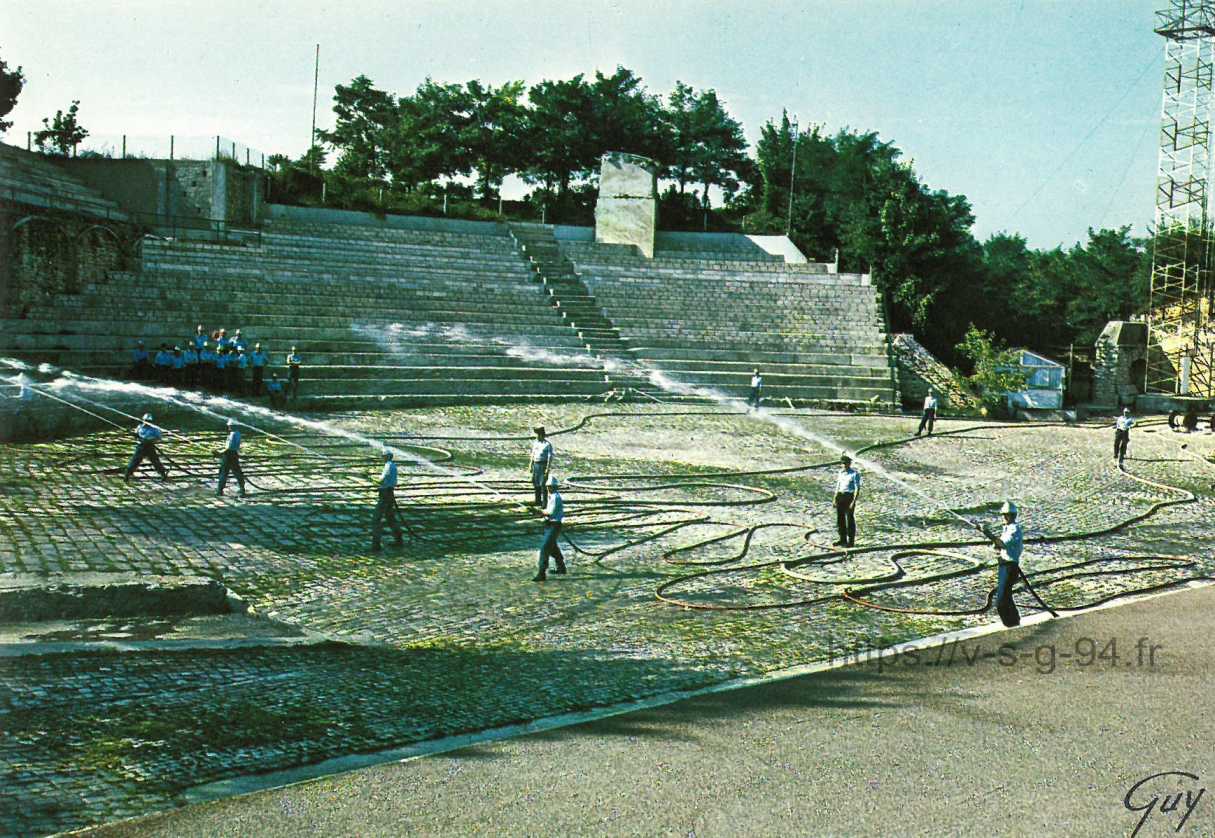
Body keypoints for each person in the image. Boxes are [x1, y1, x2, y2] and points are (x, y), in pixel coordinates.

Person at [984, 501, 1024, 628]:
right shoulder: (1007, 529)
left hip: (1009, 567)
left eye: (1006, 515)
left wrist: (987, 533)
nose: (1004, 517)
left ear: (1010, 516)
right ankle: (1015, 623)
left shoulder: (1014, 529)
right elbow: (999, 546)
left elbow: (1001, 544)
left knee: (1001, 600)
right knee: (1006, 597)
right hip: (1004, 566)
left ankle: (1011, 625)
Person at [533, 475, 567, 581]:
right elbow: (547, 513)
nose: (548, 488)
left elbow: (550, 512)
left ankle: (541, 573)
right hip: (550, 524)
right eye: (548, 486)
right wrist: (540, 513)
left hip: (554, 525)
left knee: (545, 548)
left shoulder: (555, 497)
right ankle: (561, 567)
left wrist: (538, 512)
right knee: (552, 548)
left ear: (554, 487)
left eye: (550, 486)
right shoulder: (551, 496)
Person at [371, 449, 404, 552]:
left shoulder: (388, 466)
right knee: (390, 517)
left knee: (376, 518)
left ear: (386, 457)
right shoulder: (393, 466)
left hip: (385, 494)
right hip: (389, 493)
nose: (382, 458)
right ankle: (399, 540)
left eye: (383, 456)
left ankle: (376, 545)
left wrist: (371, 479)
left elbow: (382, 480)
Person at [124, 413, 168, 481]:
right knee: (134, 461)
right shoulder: (139, 427)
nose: (147, 422)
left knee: (155, 461)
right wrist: (132, 433)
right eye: (145, 420)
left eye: (148, 421)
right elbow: (137, 436)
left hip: (149, 446)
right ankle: (127, 476)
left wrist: (150, 440)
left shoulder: (155, 429)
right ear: (143, 420)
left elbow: (158, 438)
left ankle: (163, 474)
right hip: (141, 447)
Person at [832, 454, 861, 547]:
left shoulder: (854, 474)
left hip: (849, 496)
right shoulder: (841, 473)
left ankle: (851, 541)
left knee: (849, 519)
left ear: (849, 464)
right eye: (843, 463)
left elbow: (857, 488)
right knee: (840, 519)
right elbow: (838, 486)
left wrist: (854, 501)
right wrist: (834, 498)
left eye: (846, 463)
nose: (844, 465)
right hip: (840, 496)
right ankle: (842, 539)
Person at [215, 419, 247, 498]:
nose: (228, 427)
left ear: (232, 426)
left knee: (223, 473)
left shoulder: (232, 434)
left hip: (228, 455)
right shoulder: (238, 433)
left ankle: (220, 491)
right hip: (234, 454)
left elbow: (228, 447)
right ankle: (242, 489)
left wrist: (219, 453)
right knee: (237, 472)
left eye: (229, 426)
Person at [529, 425, 554, 507]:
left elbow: (550, 457)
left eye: (537, 434)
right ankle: (537, 501)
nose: (536, 436)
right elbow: (533, 454)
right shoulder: (536, 443)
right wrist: (530, 465)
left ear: (541, 434)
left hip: (543, 464)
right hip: (536, 464)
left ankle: (545, 503)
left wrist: (547, 469)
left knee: (543, 484)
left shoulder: (547, 445)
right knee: (536, 483)